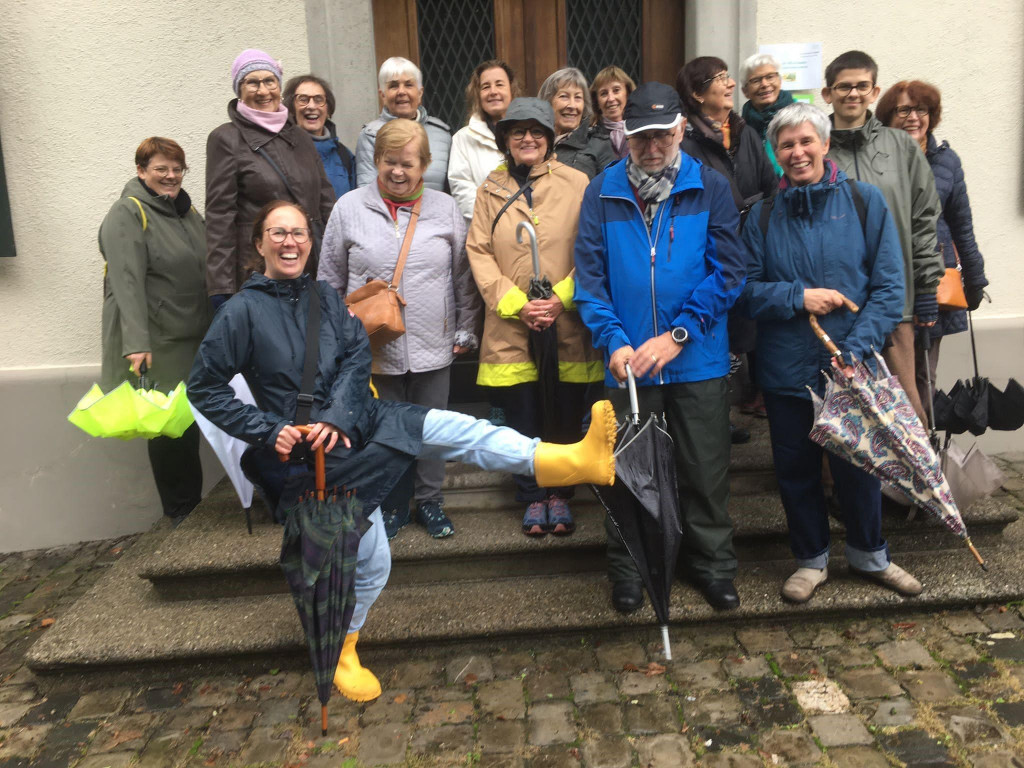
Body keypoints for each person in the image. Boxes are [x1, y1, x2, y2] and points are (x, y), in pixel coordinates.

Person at [187, 200, 617, 703]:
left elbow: (353, 358)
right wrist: (266, 428)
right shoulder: (240, 311)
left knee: (458, 428)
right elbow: (205, 388)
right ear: (259, 243)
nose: (290, 242)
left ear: (310, 240)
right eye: (278, 232)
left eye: (299, 233)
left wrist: (339, 416)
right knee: (370, 565)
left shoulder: (326, 297)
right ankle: (344, 647)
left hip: (358, 422)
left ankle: (566, 460)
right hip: (309, 458)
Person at [574, 82, 746, 613]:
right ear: (625, 134)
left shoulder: (709, 187)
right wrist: (614, 340)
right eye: (641, 135)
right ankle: (632, 568)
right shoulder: (601, 191)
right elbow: (590, 279)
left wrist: (678, 336)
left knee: (704, 471)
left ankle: (710, 565)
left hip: (696, 360)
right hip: (628, 365)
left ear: (680, 130)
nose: (652, 146)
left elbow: (729, 272)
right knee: (627, 473)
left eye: (661, 135)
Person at [740, 102, 920, 601]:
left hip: (852, 366)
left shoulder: (864, 202)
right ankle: (810, 561)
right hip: (785, 368)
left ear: (824, 144)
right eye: (786, 146)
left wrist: (855, 349)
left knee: (859, 468)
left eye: (805, 142)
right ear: (775, 154)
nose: (797, 153)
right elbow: (746, 290)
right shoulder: (762, 214)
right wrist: (798, 296)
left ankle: (870, 555)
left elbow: (889, 289)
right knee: (795, 470)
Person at [319, 119, 481, 540]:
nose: (397, 171)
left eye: (408, 163)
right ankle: (391, 503)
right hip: (369, 348)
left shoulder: (445, 208)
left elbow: (463, 276)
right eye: (389, 162)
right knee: (382, 432)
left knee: (431, 428)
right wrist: (333, 338)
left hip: (434, 342)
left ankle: (430, 502)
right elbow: (330, 279)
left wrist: (466, 327)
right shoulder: (348, 208)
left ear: (424, 164)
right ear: (376, 161)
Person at [466, 98, 604, 537]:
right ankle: (530, 494)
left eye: (537, 131)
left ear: (550, 139)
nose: (528, 138)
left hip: (566, 322)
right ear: (505, 139)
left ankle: (560, 494)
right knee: (522, 418)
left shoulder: (579, 183)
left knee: (564, 413)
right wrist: (515, 304)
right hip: (512, 324)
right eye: (518, 131)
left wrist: (561, 298)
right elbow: (479, 251)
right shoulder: (490, 187)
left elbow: (594, 249)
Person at [821, 50, 943, 425]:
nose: (853, 94)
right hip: (839, 303)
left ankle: (917, 483)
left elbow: (924, 218)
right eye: (844, 86)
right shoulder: (816, 146)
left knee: (906, 408)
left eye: (861, 86)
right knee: (845, 410)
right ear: (828, 94)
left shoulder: (900, 146)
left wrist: (925, 288)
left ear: (874, 91)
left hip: (897, 302)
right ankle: (838, 485)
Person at [99, 137, 211, 524]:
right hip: (159, 341)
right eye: (161, 168)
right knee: (169, 429)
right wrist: (136, 343)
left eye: (177, 168)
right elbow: (125, 282)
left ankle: (191, 507)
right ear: (141, 170)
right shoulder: (128, 213)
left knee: (188, 425)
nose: (171, 176)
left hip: (194, 334)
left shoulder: (188, 212)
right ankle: (180, 512)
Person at [677, 56, 776, 432]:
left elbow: (769, 185)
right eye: (720, 79)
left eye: (728, 76)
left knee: (746, 333)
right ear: (697, 94)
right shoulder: (687, 141)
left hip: (751, 248)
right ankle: (716, 418)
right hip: (711, 255)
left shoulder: (746, 132)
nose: (731, 84)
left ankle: (733, 409)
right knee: (718, 334)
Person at [877, 80, 989, 401]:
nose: (913, 117)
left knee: (925, 375)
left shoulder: (946, 161)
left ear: (931, 115)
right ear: (888, 116)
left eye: (921, 109)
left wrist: (976, 278)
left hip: (933, 282)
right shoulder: (877, 160)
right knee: (892, 377)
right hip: (889, 283)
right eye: (903, 110)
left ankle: (924, 445)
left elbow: (962, 225)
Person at [205, 49, 335, 307]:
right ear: (239, 90)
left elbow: (326, 202)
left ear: (279, 86)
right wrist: (222, 287)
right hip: (257, 271)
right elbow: (220, 217)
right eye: (252, 82)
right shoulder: (226, 139)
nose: (263, 91)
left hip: (307, 266)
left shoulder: (300, 137)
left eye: (269, 81)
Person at [354, 57, 452, 191]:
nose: (401, 92)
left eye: (408, 84)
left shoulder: (442, 134)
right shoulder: (370, 135)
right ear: (382, 95)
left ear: (420, 93)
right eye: (393, 86)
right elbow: (367, 190)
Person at [448, 59, 519, 221]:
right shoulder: (463, 139)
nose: (493, 91)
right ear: (478, 94)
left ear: (512, 90)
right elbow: (462, 190)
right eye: (486, 87)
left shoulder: (530, 136)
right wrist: (499, 219)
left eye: (499, 84)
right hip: (484, 231)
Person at [282, 74, 356, 200]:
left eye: (318, 99)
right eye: (303, 99)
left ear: (328, 109)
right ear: (292, 108)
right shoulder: (281, 152)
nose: (311, 106)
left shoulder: (344, 156)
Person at [538, 67, 615, 179]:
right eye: (564, 96)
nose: (572, 105)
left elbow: (610, 191)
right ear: (547, 101)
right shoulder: (535, 142)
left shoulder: (599, 144)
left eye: (578, 97)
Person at [738, 53, 793, 177]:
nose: (764, 84)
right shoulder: (739, 127)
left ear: (780, 81)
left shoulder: (801, 116)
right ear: (745, 91)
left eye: (770, 77)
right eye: (756, 80)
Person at [588, 65, 636, 164]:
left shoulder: (641, 130)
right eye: (604, 93)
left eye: (616, 90)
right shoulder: (588, 136)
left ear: (628, 93)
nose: (611, 98)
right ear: (596, 101)